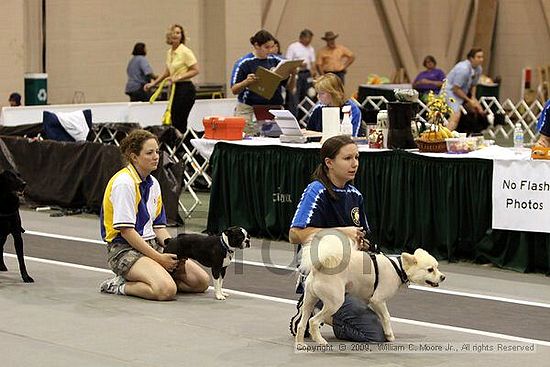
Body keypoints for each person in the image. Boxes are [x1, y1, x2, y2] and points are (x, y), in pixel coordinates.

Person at [289, 135, 385, 342]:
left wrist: (362, 242)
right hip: (324, 274)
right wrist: (341, 232)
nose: (355, 163)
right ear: (329, 163)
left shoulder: (355, 195)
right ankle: (314, 310)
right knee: (372, 333)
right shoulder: (316, 191)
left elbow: (364, 237)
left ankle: (327, 310)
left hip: (350, 275)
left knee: (381, 324)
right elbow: (294, 235)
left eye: (357, 157)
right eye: (347, 158)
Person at [99, 129, 209, 300]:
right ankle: (119, 285)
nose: (156, 156)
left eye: (157, 151)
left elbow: (159, 227)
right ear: (134, 157)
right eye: (149, 153)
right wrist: (159, 258)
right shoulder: (124, 183)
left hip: (152, 244)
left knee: (201, 282)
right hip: (124, 249)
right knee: (166, 291)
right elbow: (126, 231)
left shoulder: (153, 183)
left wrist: (175, 250)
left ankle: (157, 277)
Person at [230, 30, 296, 134]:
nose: (270, 50)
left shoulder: (277, 61)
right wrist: (246, 82)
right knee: (248, 138)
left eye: (272, 46)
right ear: (256, 45)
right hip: (249, 107)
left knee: (274, 139)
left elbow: (290, 88)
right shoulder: (244, 63)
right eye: (266, 47)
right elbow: (234, 89)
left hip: (273, 107)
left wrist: (293, 74)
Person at [145, 24, 199, 134]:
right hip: (175, 89)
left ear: (182, 36)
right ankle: (176, 143)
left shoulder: (185, 51)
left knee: (180, 119)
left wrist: (178, 77)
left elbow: (195, 70)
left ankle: (181, 144)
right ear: (169, 35)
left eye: (178, 33)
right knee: (173, 118)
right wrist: (153, 84)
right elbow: (167, 72)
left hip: (185, 88)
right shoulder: (169, 53)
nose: (175, 35)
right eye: (173, 32)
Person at [443, 48, 485, 131]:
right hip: (450, 93)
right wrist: (469, 101)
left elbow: (473, 85)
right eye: (478, 57)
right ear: (471, 58)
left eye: (482, 57)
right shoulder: (463, 69)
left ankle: (472, 134)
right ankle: (445, 138)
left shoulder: (479, 69)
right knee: (456, 115)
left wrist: (474, 99)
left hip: (462, 93)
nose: (481, 59)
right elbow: (456, 89)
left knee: (476, 110)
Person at [285, 29, 317, 118]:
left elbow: (313, 62)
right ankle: (294, 117)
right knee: (294, 96)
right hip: (297, 74)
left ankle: (307, 119)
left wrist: (313, 71)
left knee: (309, 95)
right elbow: (288, 61)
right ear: (302, 38)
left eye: (310, 39)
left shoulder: (311, 48)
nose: (309, 41)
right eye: (307, 38)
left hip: (307, 74)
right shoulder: (293, 47)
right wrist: (299, 64)